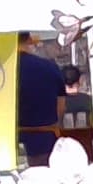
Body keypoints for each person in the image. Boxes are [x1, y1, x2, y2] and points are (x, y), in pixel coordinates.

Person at [16, 33, 69, 166]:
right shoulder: (50, 67)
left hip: (9, 142)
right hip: (45, 142)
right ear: (29, 40)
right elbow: (61, 107)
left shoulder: (2, 70)